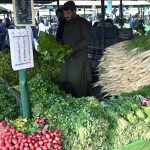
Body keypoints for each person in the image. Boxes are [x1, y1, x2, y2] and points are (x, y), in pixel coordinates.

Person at [60, 1, 92, 97]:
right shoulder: (67, 24)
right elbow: (65, 38)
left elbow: (87, 39)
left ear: (74, 11)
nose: (66, 16)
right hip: (68, 59)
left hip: (79, 59)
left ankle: (82, 102)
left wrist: (74, 49)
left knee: (79, 82)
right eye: (64, 14)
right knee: (68, 81)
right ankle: (70, 99)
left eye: (68, 13)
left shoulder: (83, 22)